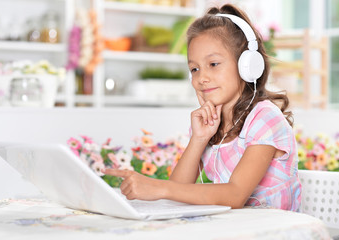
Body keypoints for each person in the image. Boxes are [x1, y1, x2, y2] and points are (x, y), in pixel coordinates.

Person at [104, 4, 301, 211]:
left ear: (247, 65)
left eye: (213, 64)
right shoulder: (210, 123)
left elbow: (234, 195)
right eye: (194, 69)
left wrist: (158, 187)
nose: (201, 78)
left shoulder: (264, 118)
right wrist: (199, 139)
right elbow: (177, 191)